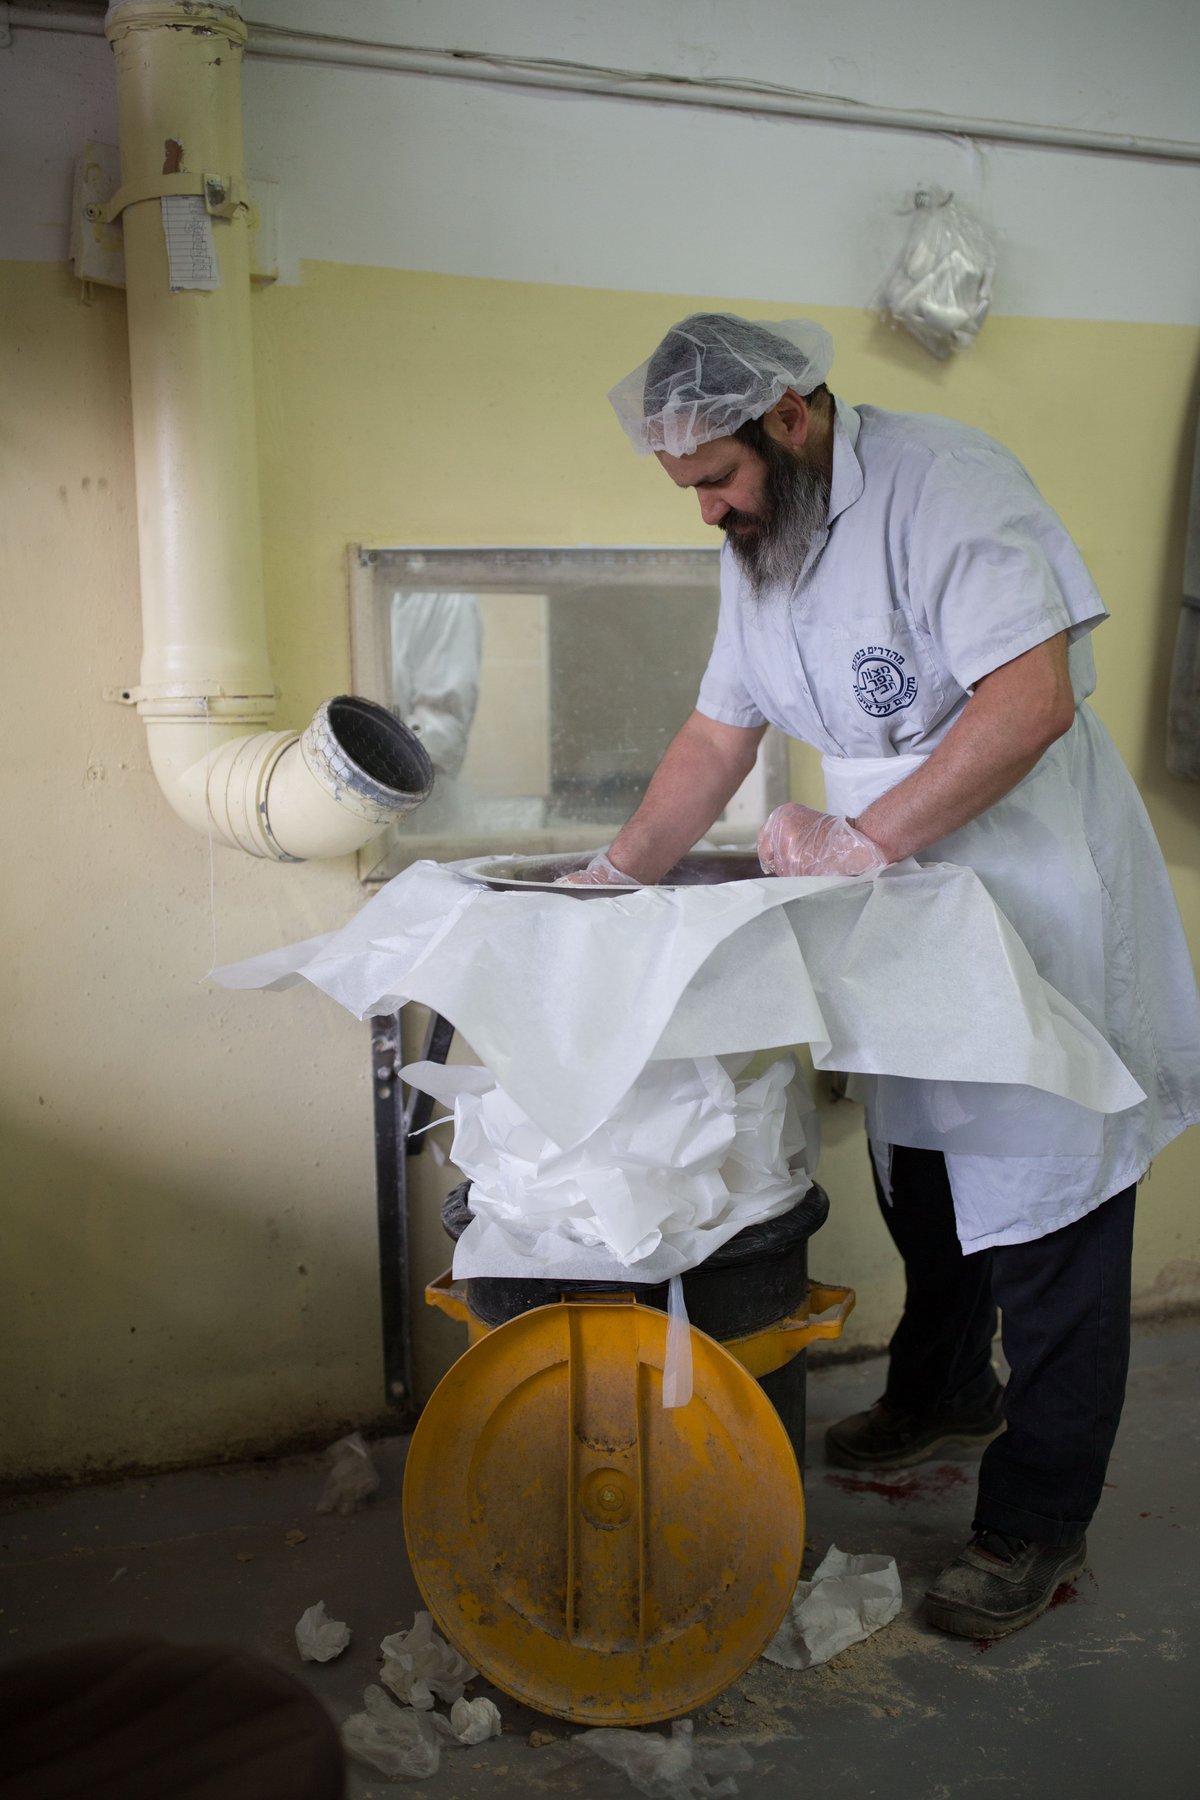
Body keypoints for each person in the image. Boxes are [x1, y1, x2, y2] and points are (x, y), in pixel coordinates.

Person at [569, 312, 1200, 1639]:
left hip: (1036, 909)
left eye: (717, 481)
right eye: (689, 490)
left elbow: (1029, 702)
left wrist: (859, 837)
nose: (708, 513)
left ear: (789, 419)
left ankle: (1035, 1522)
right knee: (925, 1180)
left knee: (1047, 1221)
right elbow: (716, 728)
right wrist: (617, 876)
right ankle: (943, 1390)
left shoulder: (947, 486)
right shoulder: (766, 544)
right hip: (909, 910)